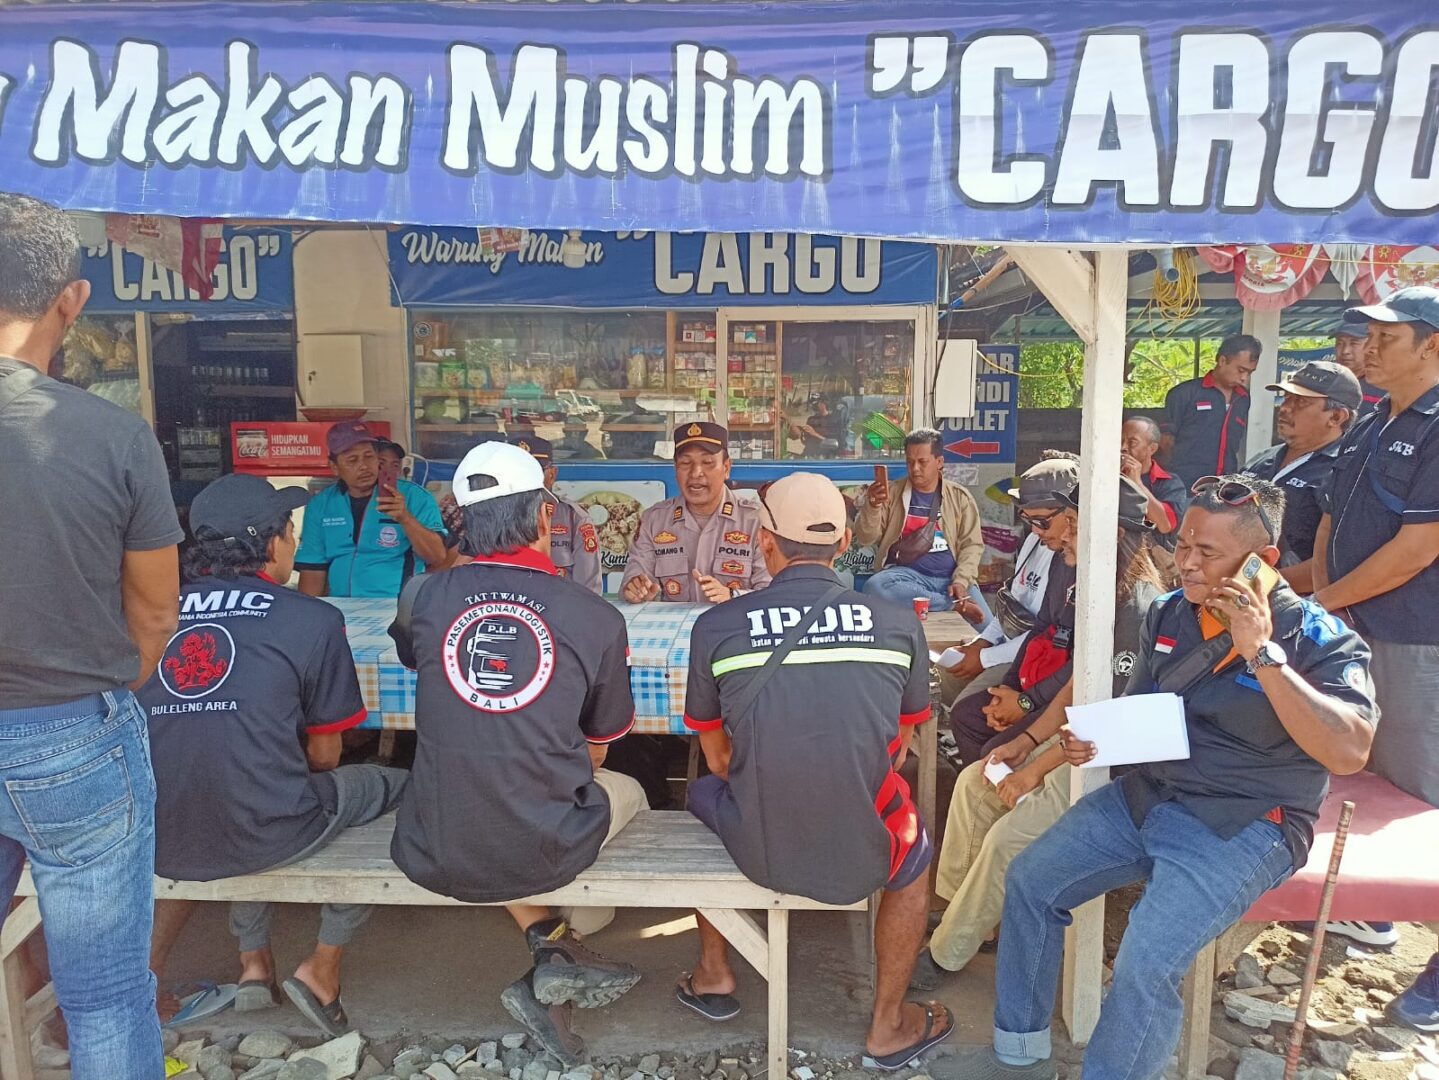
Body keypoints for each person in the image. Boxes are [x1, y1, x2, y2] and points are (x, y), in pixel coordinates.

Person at [944, 476, 1377, 1080]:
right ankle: (1019, 1053)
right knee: (1030, 881)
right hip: (1149, 796)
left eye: (1208, 553)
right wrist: (1091, 740)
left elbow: (1350, 751)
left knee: (1146, 961)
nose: (1188, 563)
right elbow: (1142, 706)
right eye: (1184, 546)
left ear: (1264, 561)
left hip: (1244, 822)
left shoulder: (1317, 637)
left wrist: (1261, 653)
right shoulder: (1171, 612)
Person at [679, 472, 954, 1068]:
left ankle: (714, 970)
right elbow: (896, 750)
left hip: (758, 843)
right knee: (915, 848)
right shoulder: (899, 624)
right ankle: (887, 1025)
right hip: (863, 845)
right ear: (845, 541)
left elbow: (720, 760)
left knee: (699, 796)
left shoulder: (716, 627)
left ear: (764, 541)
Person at [388, 441, 646, 1065]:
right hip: (546, 844)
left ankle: (552, 949)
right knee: (632, 789)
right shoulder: (594, 615)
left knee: (484, 782)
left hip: (432, 836)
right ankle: (562, 945)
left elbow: (420, 656)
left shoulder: (421, 597)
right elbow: (598, 748)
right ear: (545, 516)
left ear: (462, 520)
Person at [0, 194, 180, 1080]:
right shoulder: (113, 436)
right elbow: (154, 614)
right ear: (70, 300)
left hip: (64, 721)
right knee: (104, 995)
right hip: (71, 730)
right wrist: (104, 693)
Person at [143, 475, 407, 1036]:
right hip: (266, 830)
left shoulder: (148, 615)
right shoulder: (311, 618)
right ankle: (323, 961)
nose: (293, 541)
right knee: (399, 783)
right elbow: (326, 757)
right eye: (289, 530)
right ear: (269, 542)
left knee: (243, 781)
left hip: (158, 831)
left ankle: (254, 963)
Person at [913, 476, 1166, 989]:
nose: (1061, 539)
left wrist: (1034, 769)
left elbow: (1106, 722)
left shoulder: (1138, 606)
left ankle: (948, 953)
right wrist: (1024, 743)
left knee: (1008, 837)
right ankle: (968, 920)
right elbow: (1078, 685)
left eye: (1073, 528)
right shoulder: (1096, 585)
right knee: (975, 783)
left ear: (1112, 534)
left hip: (1109, 765)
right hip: (1074, 741)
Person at [1311, 286, 1439, 810]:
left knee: (1412, 789)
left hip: (1410, 639)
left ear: (1431, 345)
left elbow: (1418, 549)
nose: (1368, 348)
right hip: (1349, 630)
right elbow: (1329, 520)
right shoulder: (1369, 422)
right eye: (1369, 335)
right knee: (1351, 782)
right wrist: (1326, 603)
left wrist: (1325, 603)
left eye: (1387, 337)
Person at [938, 456, 1078, 725]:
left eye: (1042, 522)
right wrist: (981, 644)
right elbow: (1012, 601)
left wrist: (985, 659)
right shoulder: (1034, 542)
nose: (1035, 530)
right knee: (943, 676)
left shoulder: (1069, 560)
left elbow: (1047, 636)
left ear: (1070, 514)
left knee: (970, 715)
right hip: (1017, 650)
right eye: (1028, 520)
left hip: (1040, 662)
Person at [621, 422, 771, 603]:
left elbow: (771, 593)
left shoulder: (756, 521)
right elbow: (635, 575)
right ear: (676, 469)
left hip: (735, 620)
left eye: (707, 463)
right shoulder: (654, 520)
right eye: (685, 463)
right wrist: (637, 590)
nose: (695, 473)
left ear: (726, 468)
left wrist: (732, 595)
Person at [295, 420, 448, 597]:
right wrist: (308, 611)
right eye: (352, 460)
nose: (364, 466)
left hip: (398, 605)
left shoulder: (415, 497)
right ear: (334, 467)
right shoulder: (320, 505)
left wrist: (405, 518)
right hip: (341, 606)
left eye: (369, 456)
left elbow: (437, 556)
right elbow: (313, 571)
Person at [1242, 361, 1358, 578]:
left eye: (1301, 402)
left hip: (1294, 596)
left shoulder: (1345, 472)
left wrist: (1266, 585)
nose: (1285, 407)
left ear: (1336, 417)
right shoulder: (1263, 459)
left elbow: (1339, 559)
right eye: (1286, 397)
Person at [856, 428, 985, 611]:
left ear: (939, 462)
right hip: (906, 580)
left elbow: (972, 546)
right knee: (875, 586)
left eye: (922, 462)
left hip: (952, 581)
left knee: (991, 628)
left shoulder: (960, 497)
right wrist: (873, 506)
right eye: (910, 462)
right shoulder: (893, 493)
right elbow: (865, 538)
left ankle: (943, 602)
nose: (915, 468)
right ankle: (950, 605)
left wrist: (961, 581)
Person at [1160, 334, 1261, 485]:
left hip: (1224, 485)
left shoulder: (1243, 398)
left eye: (1250, 373)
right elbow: (1165, 442)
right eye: (1241, 370)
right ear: (1222, 361)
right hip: (1184, 484)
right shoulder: (1184, 394)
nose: (1244, 378)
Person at [510, 434, 602, 593]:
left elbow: (589, 593)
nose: (524, 479)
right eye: (516, 472)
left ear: (552, 474)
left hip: (561, 606)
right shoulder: (491, 519)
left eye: (534, 472)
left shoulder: (575, 519)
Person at [1121, 416, 1188, 547]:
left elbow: (1165, 525)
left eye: (1132, 442)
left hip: (1149, 554)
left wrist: (1137, 484)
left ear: (1152, 448)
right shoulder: (1107, 478)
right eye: (1120, 441)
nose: (1123, 447)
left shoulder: (1170, 483)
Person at [1333, 321, 1384, 418]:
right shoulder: (1325, 381)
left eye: (1354, 343)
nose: (1345, 351)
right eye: (1340, 343)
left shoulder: (1387, 386)